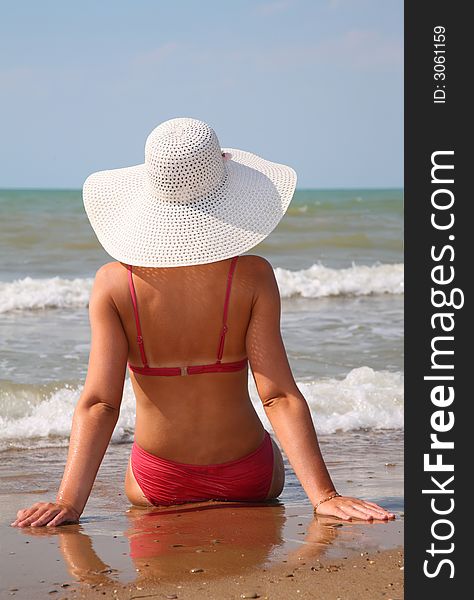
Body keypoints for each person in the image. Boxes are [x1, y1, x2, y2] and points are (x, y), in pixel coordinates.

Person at [11, 117, 394, 528]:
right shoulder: (252, 276)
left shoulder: (113, 284)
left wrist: (68, 502)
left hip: (156, 480)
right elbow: (278, 396)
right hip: (251, 475)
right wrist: (324, 496)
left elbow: (100, 403)